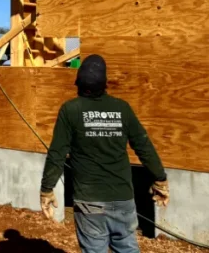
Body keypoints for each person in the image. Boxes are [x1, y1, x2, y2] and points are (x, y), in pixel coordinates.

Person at [40, 55, 169, 253]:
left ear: (79, 84)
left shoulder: (71, 110)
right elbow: (144, 146)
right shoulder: (122, 109)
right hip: (123, 199)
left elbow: (57, 153)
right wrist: (160, 178)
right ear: (105, 83)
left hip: (90, 202)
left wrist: (47, 189)